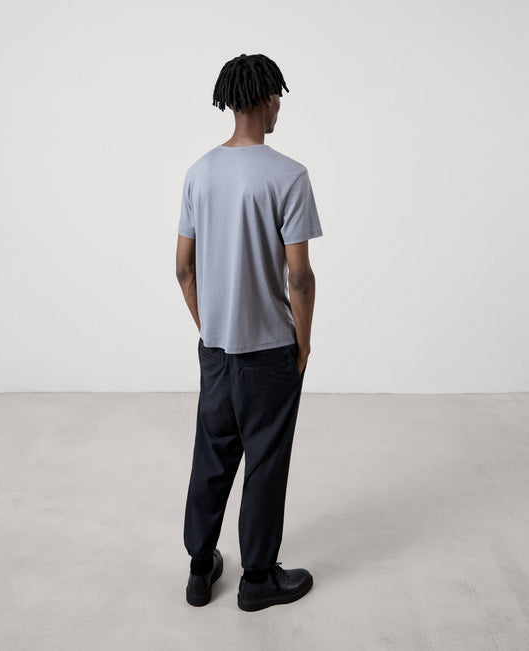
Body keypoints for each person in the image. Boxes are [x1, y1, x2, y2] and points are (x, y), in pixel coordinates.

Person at [176, 53, 323, 611]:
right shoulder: (289, 175)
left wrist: (209, 325)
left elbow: (183, 268)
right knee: (265, 462)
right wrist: (303, 342)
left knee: (212, 455)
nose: (280, 104)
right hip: (270, 350)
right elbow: (299, 276)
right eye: (277, 95)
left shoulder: (199, 172)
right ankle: (257, 579)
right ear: (265, 99)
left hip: (216, 349)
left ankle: (199, 569)